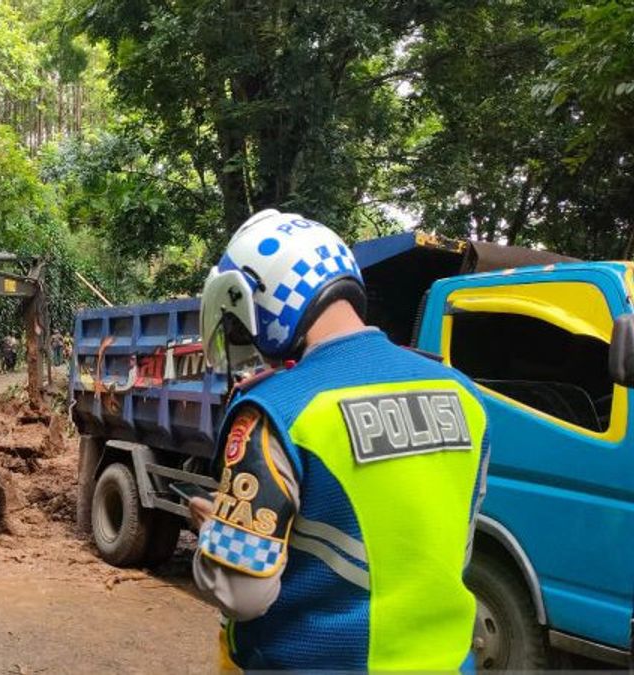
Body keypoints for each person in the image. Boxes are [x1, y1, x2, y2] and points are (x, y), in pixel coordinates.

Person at [191, 209, 489, 670]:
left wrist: (215, 532)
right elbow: (456, 543)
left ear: (266, 297)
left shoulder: (279, 410)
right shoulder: (462, 394)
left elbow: (241, 593)